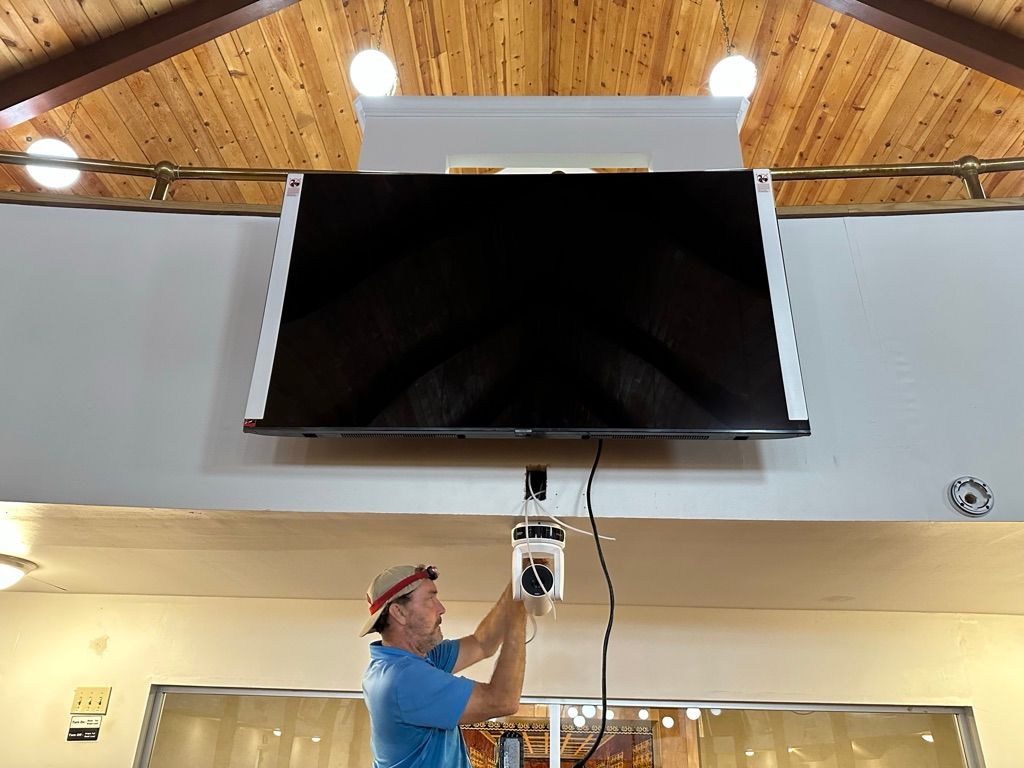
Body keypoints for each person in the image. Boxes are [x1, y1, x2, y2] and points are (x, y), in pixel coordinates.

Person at [360, 563, 527, 768]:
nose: (441, 608)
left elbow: (482, 644)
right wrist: (519, 616)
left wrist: (521, 581)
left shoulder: (412, 660)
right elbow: (503, 701)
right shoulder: (404, 679)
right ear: (399, 613)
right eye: (430, 598)